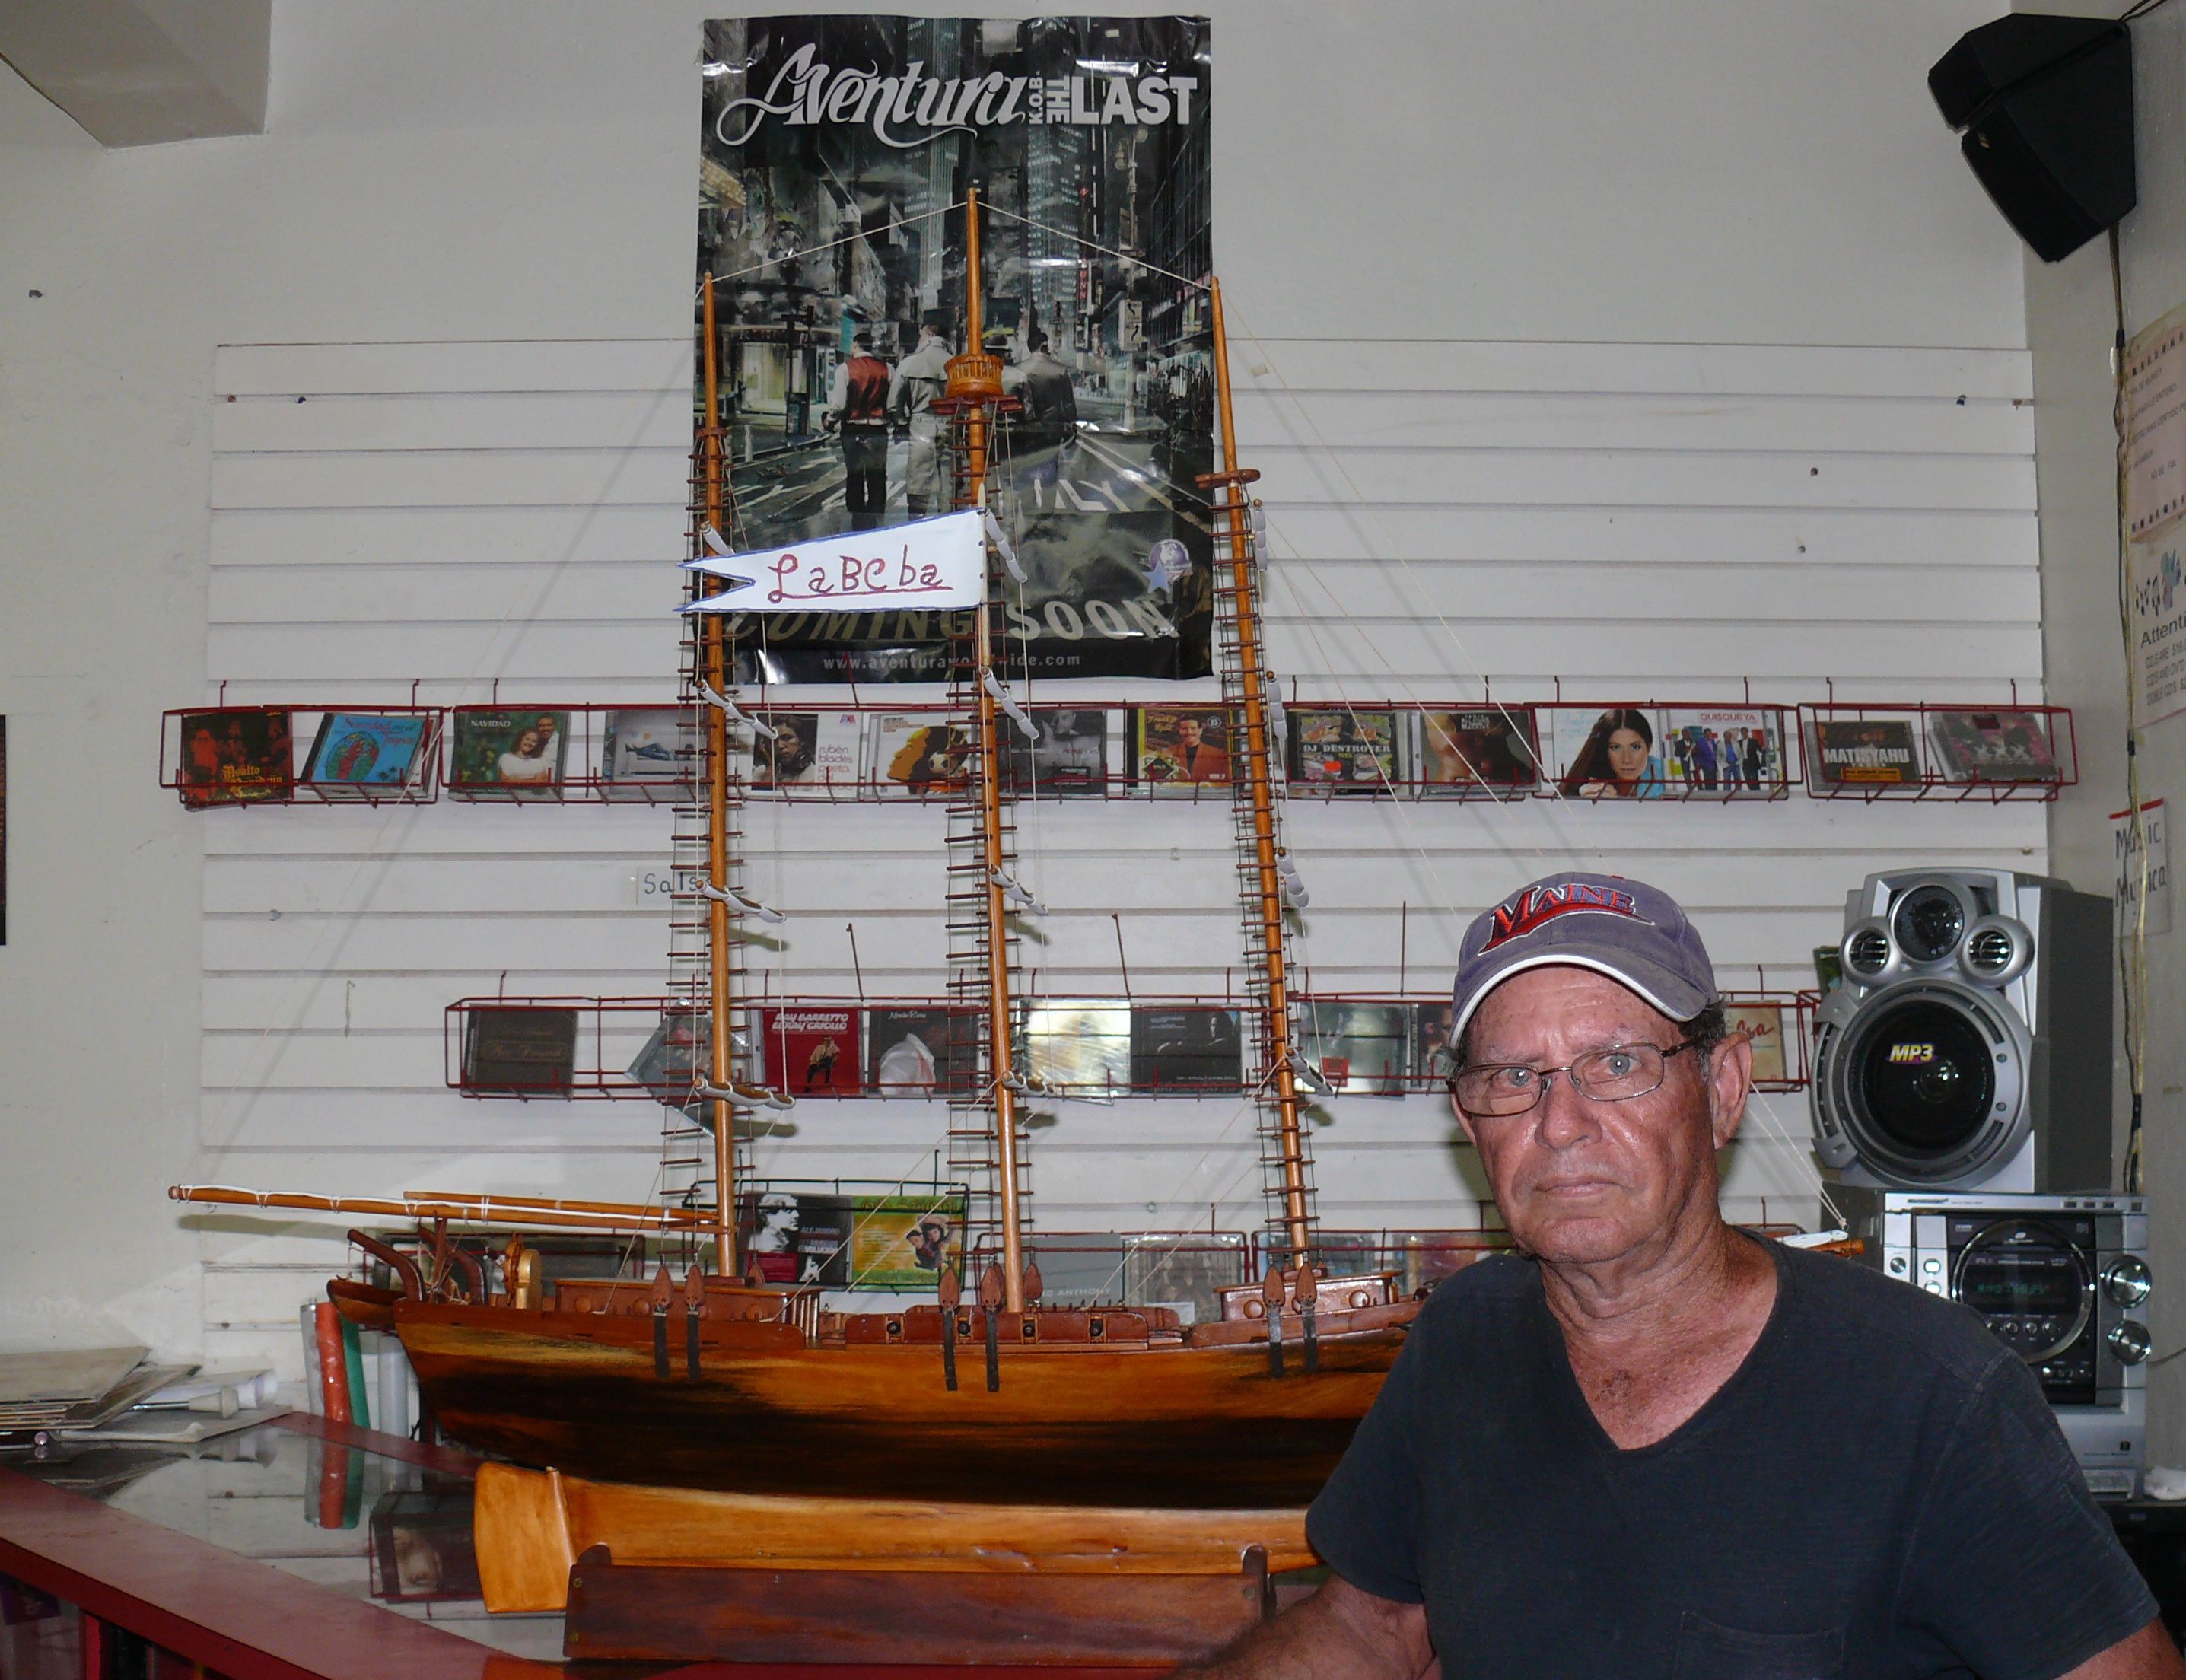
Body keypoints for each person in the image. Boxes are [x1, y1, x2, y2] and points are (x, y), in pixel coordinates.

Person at [1185, 870, 2175, 1680]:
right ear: (1469, 1120)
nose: (1560, 1123)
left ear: (1723, 1088)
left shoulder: (1925, 1392)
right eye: (1511, 1077)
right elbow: (1372, 1628)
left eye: (1617, 1064)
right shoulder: (1464, 1341)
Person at [825, 330, 893, 530]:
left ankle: (858, 520)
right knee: (877, 476)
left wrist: (830, 420)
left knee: (854, 475)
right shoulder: (887, 369)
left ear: (855, 346)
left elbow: (838, 405)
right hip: (878, 430)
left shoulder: (845, 369)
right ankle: (876, 520)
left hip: (852, 429)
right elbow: (893, 401)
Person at [890, 313, 953, 518]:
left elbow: (893, 403)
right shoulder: (957, 364)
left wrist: (901, 422)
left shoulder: (909, 364)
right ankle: (948, 523)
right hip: (950, 426)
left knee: (918, 483)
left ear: (929, 335)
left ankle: (917, 523)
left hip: (919, 426)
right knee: (949, 481)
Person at [1557, 708, 1662, 800]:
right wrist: (1586, 805)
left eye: (1635, 747)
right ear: (1604, 750)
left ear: (1649, 746)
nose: (1627, 759)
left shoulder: (1664, 775)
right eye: (1615, 748)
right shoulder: (1593, 773)